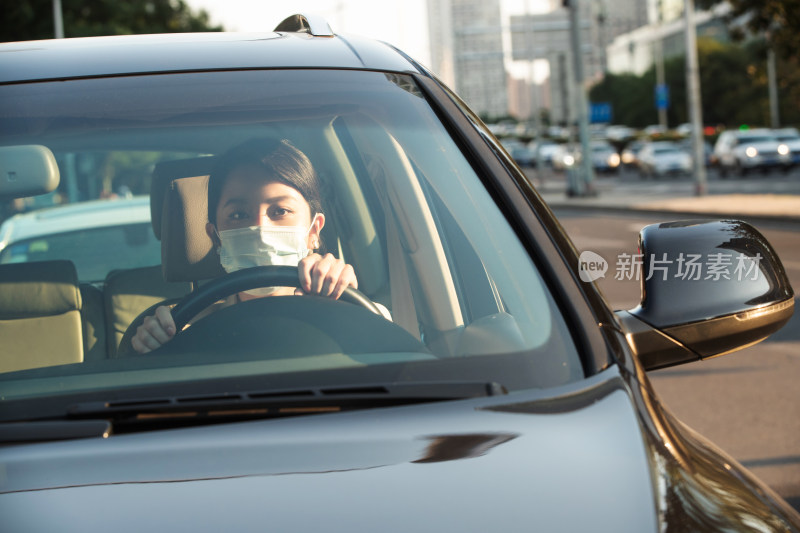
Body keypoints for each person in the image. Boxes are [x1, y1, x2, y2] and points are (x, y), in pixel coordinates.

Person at [131, 138, 359, 354]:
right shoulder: (185, 330)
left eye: (280, 211)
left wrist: (346, 304)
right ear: (216, 237)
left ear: (314, 230)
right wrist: (156, 345)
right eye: (239, 214)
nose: (260, 227)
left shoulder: (351, 309)